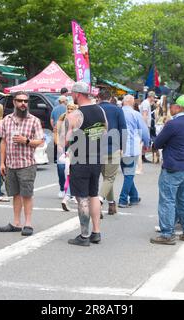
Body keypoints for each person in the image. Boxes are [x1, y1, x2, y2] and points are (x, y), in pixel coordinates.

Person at [66, 81, 108, 246]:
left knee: (82, 197)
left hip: (80, 159)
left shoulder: (75, 115)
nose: (71, 96)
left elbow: (66, 140)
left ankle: (84, 236)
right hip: (96, 157)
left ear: (77, 94)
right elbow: (105, 132)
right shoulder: (100, 110)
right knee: (93, 194)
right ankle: (96, 232)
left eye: (72, 94)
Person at [151, 95, 184, 245]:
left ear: (178, 107)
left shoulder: (173, 124)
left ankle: (167, 234)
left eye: (172, 106)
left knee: (167, 200)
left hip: (173, 166)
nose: (170, 108)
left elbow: (158, 143)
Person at [0, 91, 44, 236]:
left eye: (25, 101)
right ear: (14, 102)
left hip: (27, 164)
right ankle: (16, 223)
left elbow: (41, 141)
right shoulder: (6, 120)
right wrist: (2, 163)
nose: (23, 104)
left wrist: (27, 141)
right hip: (11, 164)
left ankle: (28, 223)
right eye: (20, 101)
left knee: (27, 194)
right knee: (15, 194)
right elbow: (3, 142)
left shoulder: (34, 120)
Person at [98, 88, 127, 216]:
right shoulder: (117, 110)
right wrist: (123, 147)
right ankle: (98, 202)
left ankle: (111, 205)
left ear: (99, 97)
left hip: (96, 148)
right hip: (113, 147)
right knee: (109, 178)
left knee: (106, 178)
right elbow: (123, 129)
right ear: (110, 98)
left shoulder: (96, 109)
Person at [118, 95, 150, 208]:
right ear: (132, 103)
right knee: (129, 175)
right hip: (131, 147)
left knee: (127, 173)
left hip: (118, 148)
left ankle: (134, 197)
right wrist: (147, 143)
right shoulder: (135, 114)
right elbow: (144, 131)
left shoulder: (118, 112)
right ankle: (122, 199)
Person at [56, 102, 79, 211]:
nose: (69, 110)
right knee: (66, 170)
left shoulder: (76, 119)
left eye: (71, 109)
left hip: (73, 148)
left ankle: (69, 194)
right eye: (68, 108)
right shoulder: (63, 118)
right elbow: (57, 131)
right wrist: (59, 144)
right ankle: (67, 193)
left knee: (70, 171)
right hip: (69, 148)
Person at [51, 95, 68, 198]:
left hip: (69, 144)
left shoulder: (55, 109)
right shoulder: (62, 116)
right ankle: (63, 188)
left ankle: (66, 189)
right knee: (62, 166)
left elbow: (52, 121)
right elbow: (55, 126)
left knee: (68, 168)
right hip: (62, 143)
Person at [139, 91, 155, 163]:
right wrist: (144, 125)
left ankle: (142, 156)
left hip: (145, 124)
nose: (154, 98)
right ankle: (142, 156)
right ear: (151, 97)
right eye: (153, 97)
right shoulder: (146, 103)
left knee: (144, 141)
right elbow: (144, 114)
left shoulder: (146, 103)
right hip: (145, 125)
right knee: (144, 140)